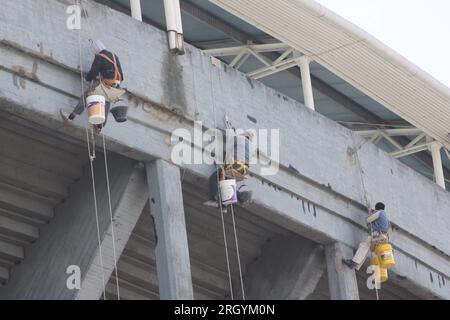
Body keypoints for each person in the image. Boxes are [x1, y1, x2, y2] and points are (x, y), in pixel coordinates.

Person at [61, 40, 126, 132]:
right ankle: (99, 127)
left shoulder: (100, 57)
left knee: (86, 96)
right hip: (116, 85)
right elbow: (120, 75)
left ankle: (70, 117)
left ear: (96, 49)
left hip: (106, 84)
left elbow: (93, 72)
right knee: (105, 103)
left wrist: (86, 79)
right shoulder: (115, 56)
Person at [342, 202, 390, 270]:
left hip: (378, 236)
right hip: (384, 239)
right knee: (366, 248)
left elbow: (368, 219)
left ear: (377, 208)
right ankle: (355, 265)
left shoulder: (379, 213)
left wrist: (371, 212)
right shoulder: (386, 218)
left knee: (364, 245)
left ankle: (353, 263)